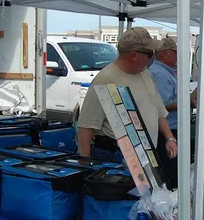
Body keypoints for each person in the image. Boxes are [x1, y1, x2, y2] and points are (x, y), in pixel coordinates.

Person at [76, 27, 178, 165]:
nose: (153, 57)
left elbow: (159, 111)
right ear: (134, 55)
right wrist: (85, 163)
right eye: (150, 54)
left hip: (145, 154)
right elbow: (86, 125)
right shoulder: (105, 79)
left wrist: (169, 138)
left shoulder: (145, 73)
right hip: (116, 156)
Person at [148, 37, 179, 189]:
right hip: (167, 130)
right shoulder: (160, 74)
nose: (177, 56)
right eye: (175, 52)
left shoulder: (163, 72)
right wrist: (184, 104)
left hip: (167, 129)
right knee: (168, 171)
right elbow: (162, 106)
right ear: (165, 54)